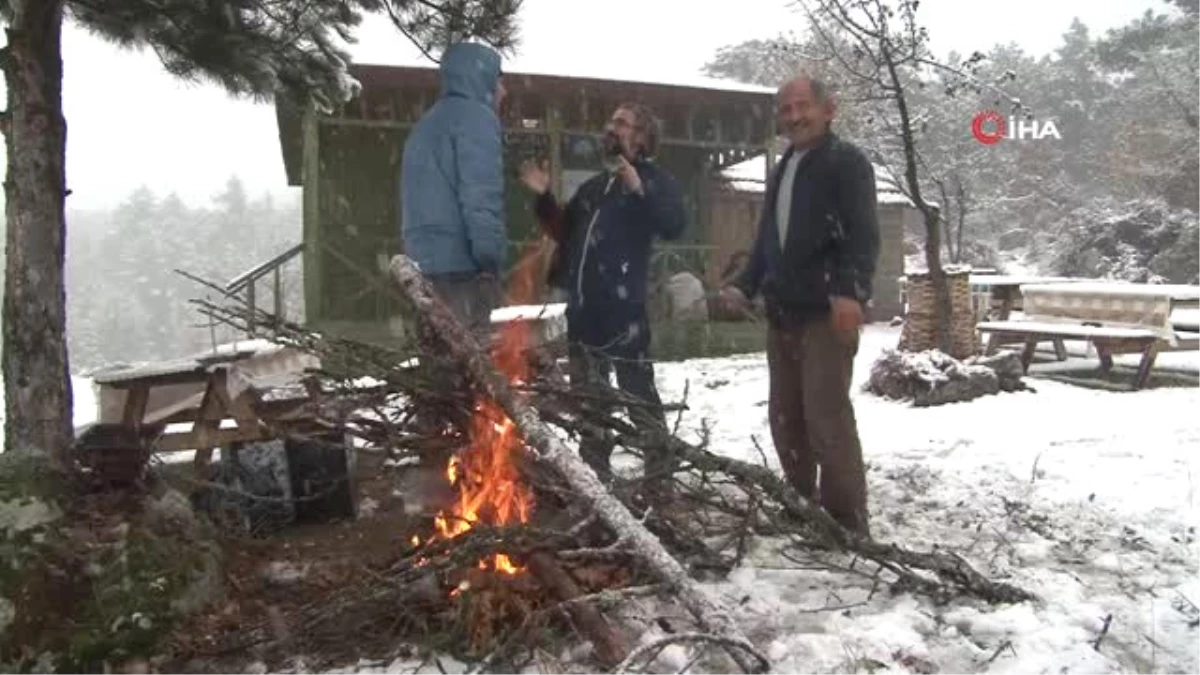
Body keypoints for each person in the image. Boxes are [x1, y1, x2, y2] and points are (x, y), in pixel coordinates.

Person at [719, 73, 880, 536]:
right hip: (783, 312)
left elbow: (863, 234)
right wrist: (745, 285)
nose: (793, 116)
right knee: (786, 417)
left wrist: (850, 292)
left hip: (826, 313)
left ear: (829, 109)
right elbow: (768, 241)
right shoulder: (785, 165)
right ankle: (799, 504)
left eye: (802, 106)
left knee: (826, 416)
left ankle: (846, 521)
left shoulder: (846, 163)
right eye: (786, 109)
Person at [520, 103, 687, 491]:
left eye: (622, 123)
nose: (611, 128)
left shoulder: (655, 180)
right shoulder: (595, 187)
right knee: (590, 399)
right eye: (610, 122)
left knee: (638, 396)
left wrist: (639, 188)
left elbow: (675, 224)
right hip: (584, 311)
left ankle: (658, 480)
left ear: (642, 137)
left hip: (623, 310)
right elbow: (564, 230)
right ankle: (595, 482)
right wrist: (544, 195)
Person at [400, 41, 508, 341]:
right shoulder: (476, 119)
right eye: (500, 80)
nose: (504, 91)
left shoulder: (426, 124)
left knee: (439, 367)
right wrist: (489, 261)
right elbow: (480, 198)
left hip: (423, 267)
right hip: (462, 270)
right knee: (471, 371)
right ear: (483, 78)